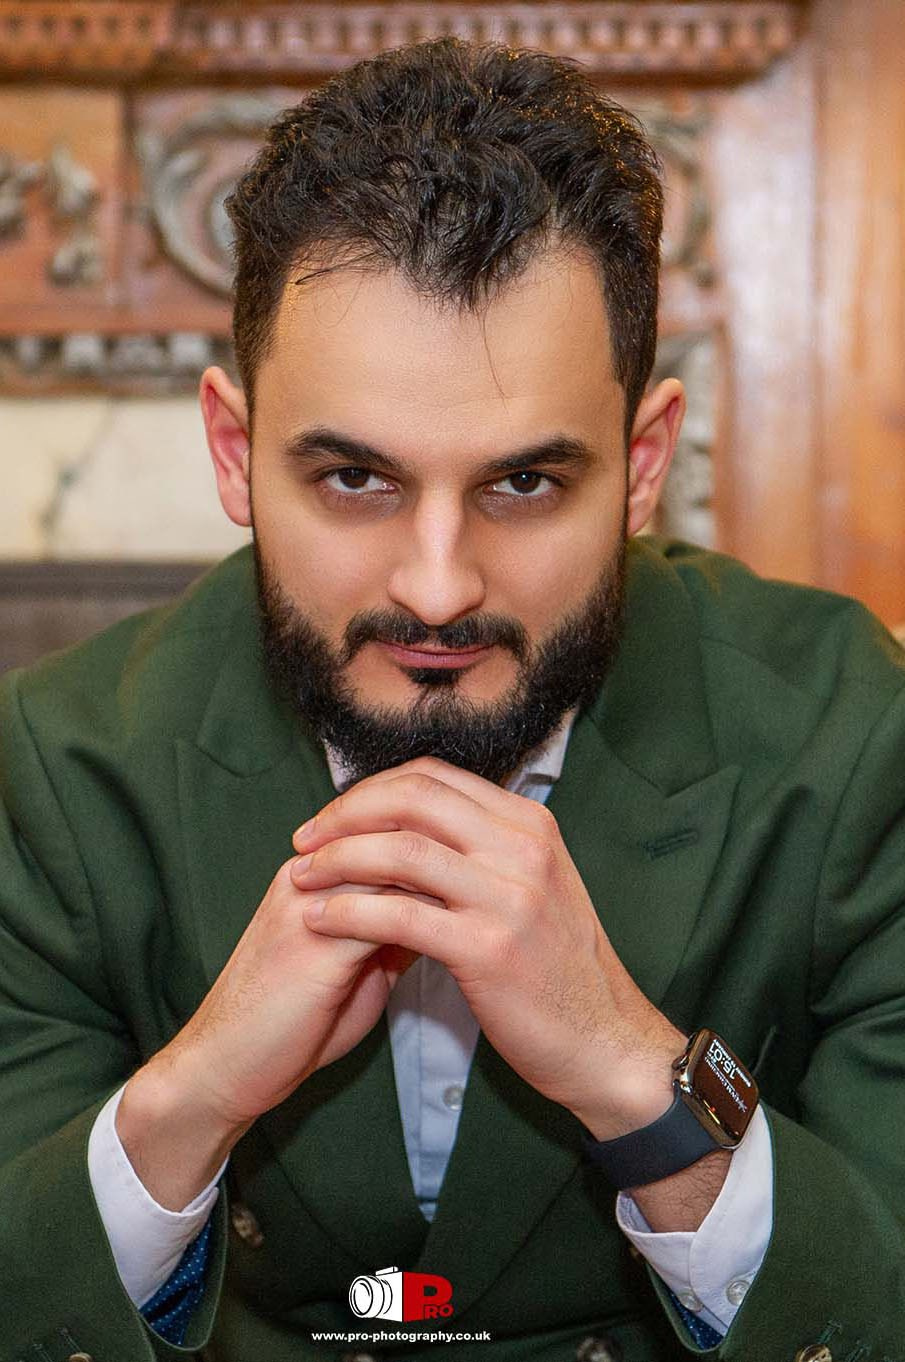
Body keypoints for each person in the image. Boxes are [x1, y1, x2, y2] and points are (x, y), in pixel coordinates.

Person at [1, 34, 904, 1362]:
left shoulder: (853, 733)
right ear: (234, 454)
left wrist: (633, 1071)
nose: (434, 588)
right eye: (353, 479)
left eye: (524, 483)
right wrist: (190, 1094)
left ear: (643, 463)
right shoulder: (55, 764)